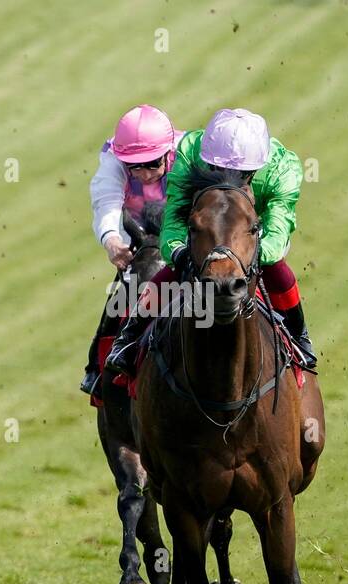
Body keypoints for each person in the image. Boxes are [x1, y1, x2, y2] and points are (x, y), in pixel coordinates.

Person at [106, 108, 312, 375]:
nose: (229, 180)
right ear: (208, 160)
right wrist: (177, 252)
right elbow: (175, 216)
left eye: (241, 174)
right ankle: (129, 338)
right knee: (171, 270)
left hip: (251, 236)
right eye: (218, 170)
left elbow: (277, 231)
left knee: (276, 269)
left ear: (257, 168)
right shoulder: (191, 151)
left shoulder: (283, 169)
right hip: (207, 229)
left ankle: (299, 337)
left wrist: (245, 256)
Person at [79, 104, 182, 394]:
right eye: (135, 166)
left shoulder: (188, 153)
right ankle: (96, 367)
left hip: (182, 226)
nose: (145, 173)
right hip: (137, 231)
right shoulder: (112, 161)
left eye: (152, 164)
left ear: (167, 152)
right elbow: (107, 202)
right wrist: (112, 240)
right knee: (125, 288)